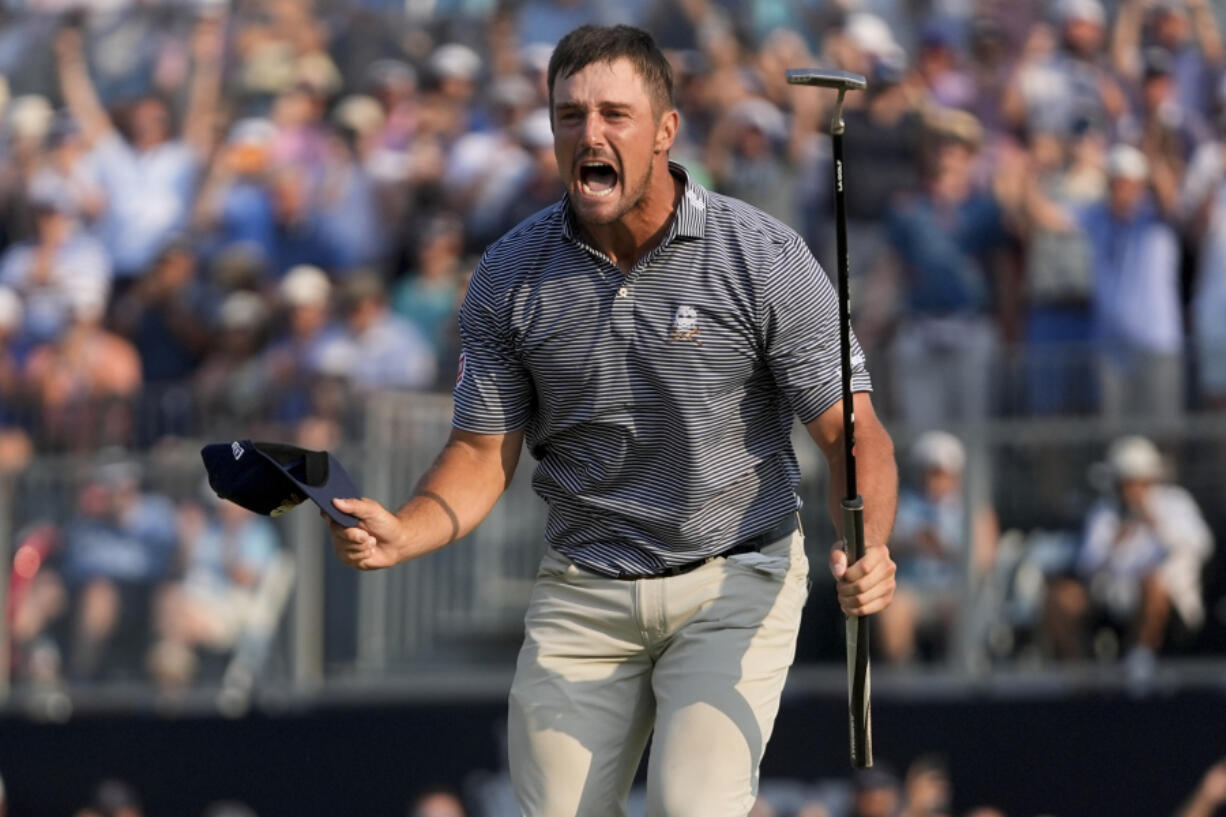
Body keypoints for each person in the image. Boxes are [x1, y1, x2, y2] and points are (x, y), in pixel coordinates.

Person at [325, 25, 898, 817]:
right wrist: (406, 529)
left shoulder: (761, 255)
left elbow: (853, 435)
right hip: (586, 587)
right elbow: (480, 453)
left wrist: (868, 547)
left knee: (688, 807)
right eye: (569, 116)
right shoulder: (508, 274)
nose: (589, 134)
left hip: (734, 574)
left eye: (614, 114)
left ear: (665, 130)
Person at [1043, 435, 1214, 665]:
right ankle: (1078, 676)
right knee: (1060, 597)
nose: (1130, 490)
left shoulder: (1176, 503)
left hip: (1167, 603)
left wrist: (1154, 523)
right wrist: (1115, 542)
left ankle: (1138, 666)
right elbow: (1086, 565)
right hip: (1111, 598)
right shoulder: (1105, 511)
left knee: (1153, 584)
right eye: (1125, 482)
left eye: (1137, 482)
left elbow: (1202, 546)